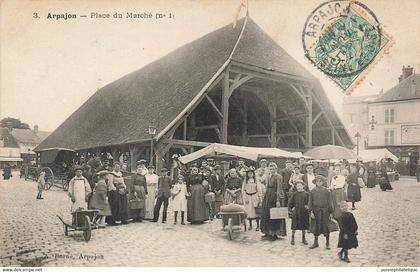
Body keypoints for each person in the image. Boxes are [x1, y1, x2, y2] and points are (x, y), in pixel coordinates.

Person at [260, 162, 286, 241]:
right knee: (266, 214)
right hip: (268, 196)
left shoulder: (278, 177)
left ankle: (274, 233)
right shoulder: (268, 176)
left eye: (273, 169)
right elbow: (266, 186)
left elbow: (279, 188)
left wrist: (278, 200)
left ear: (276, 169)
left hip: (274, 197)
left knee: (274, 215)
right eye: (270, 169)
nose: (272, 170)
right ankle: (267, 232)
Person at [308, 175, 333, 250]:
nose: (319, 183)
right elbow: (310, 202)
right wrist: (311, 211)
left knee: (326, 227)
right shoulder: (312, 191)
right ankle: (316, 242)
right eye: (317, 181)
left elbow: (330, 202)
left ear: (323, 182)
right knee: (316, 227)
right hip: (316, 211)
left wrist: (331, 212)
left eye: (320, 181)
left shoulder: (326, 191)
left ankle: (327, 243)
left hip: (325, 211)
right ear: (315, 182)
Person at [288, 180, 310, 245]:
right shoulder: (294, 194)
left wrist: (307, 206)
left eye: (300, 186)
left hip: (303, 212)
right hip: (296, 212)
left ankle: (304, 238)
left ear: (303, 186)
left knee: (304, 225)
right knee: (294, 226)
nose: (299, 187)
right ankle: (292, 238)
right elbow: (290, 203)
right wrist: (292, 208)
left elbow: (309, 203)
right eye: (297, 186)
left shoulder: (306, 194)